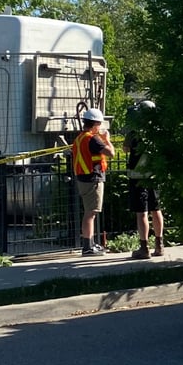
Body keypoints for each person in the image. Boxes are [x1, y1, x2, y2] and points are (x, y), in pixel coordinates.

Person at [73, 107, 114, 256]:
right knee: (90, 213)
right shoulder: (93, 139)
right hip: (92, 179)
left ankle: (89, 244)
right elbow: (111, 153)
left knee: (89, 212)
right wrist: (107, 140)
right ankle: (88, 247)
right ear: (95, 124)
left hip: (83, 178)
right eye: (100, 124)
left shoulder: (80, 138)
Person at [125, 124, 165, 259]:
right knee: (156, 209)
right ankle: (159, 245)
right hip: (153, 177)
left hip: (138, 179)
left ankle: (144, 248)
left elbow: (125, 149)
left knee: (141, 212)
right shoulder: (157, 132)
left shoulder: (133, 132)